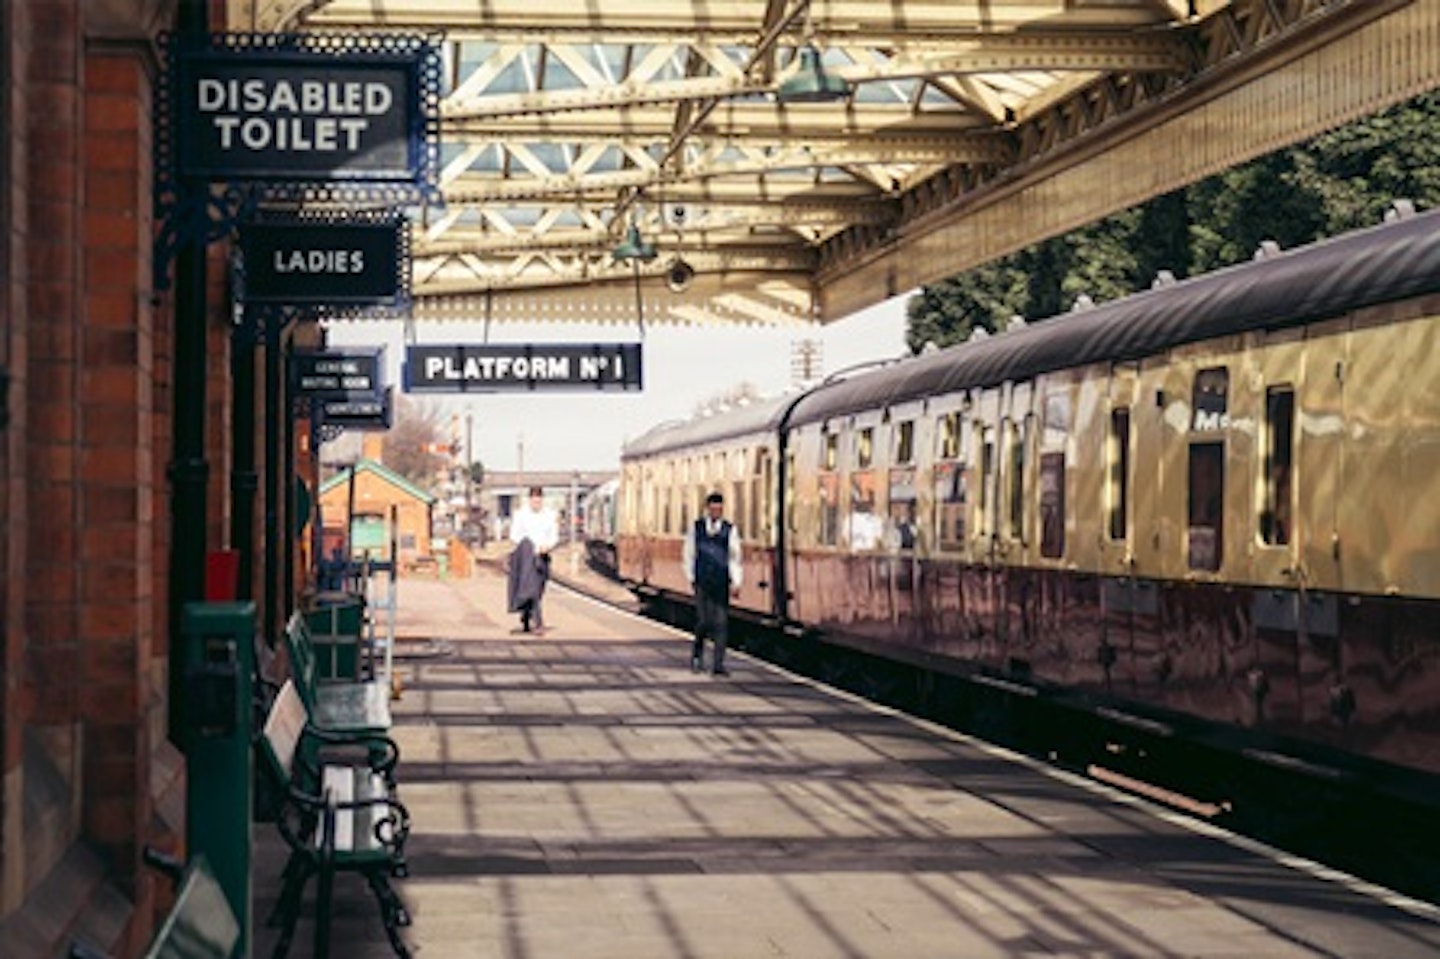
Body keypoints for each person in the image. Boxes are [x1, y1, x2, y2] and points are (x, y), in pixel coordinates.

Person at [682, 491, 743, 676]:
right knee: (703, 621)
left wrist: (736, 582)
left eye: (719, 508)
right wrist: (691, 577)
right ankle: (697, 656)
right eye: (713, 508)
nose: (716, 511)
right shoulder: (696, 528)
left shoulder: (730, 530)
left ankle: (718, 664)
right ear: (707, 508)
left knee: (721, 623)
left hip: (721, 581)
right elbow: (688, 553)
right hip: (702, 581)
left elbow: (735, 557)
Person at [507, 486, 559, 632]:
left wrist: (548, 546)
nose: (536, 503)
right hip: (526, 557)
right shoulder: (520, 515)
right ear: (529, 500)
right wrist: (526, 545)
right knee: (533, 588)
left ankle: (526, 613)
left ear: (542, 500)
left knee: (539, 588)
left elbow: (554, 536)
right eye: (534, 500)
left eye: (539, 500)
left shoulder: (549, 515)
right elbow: (514, 535)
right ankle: (538, 622)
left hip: (543, 556)